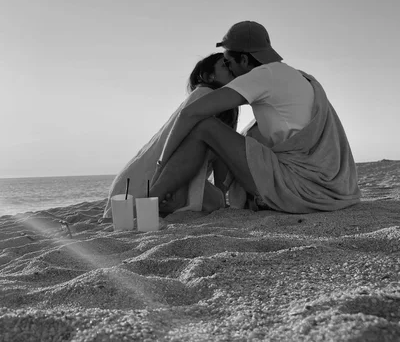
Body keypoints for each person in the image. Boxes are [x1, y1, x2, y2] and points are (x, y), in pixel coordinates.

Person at [150, 21, 361, 213]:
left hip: (299, 185)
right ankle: (176, 197)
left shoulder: (263, 75)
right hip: (322, 184)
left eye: (228, 62)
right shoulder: (296, 76)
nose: (229, 70)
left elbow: (191, 112)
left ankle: (151, 198)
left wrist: (161, 163)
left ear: (243, 59)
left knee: (205, 127)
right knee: (244, 134)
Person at [103, 53, 238, 218]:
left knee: (216, 200)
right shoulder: (205, 94)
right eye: (225, 65)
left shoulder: (223, 102)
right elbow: (184, 146)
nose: (231, 67)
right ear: (209, 76)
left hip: (144, 180)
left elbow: (219, 153)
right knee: (213, 202)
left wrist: (221, 194)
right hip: (149, 180)